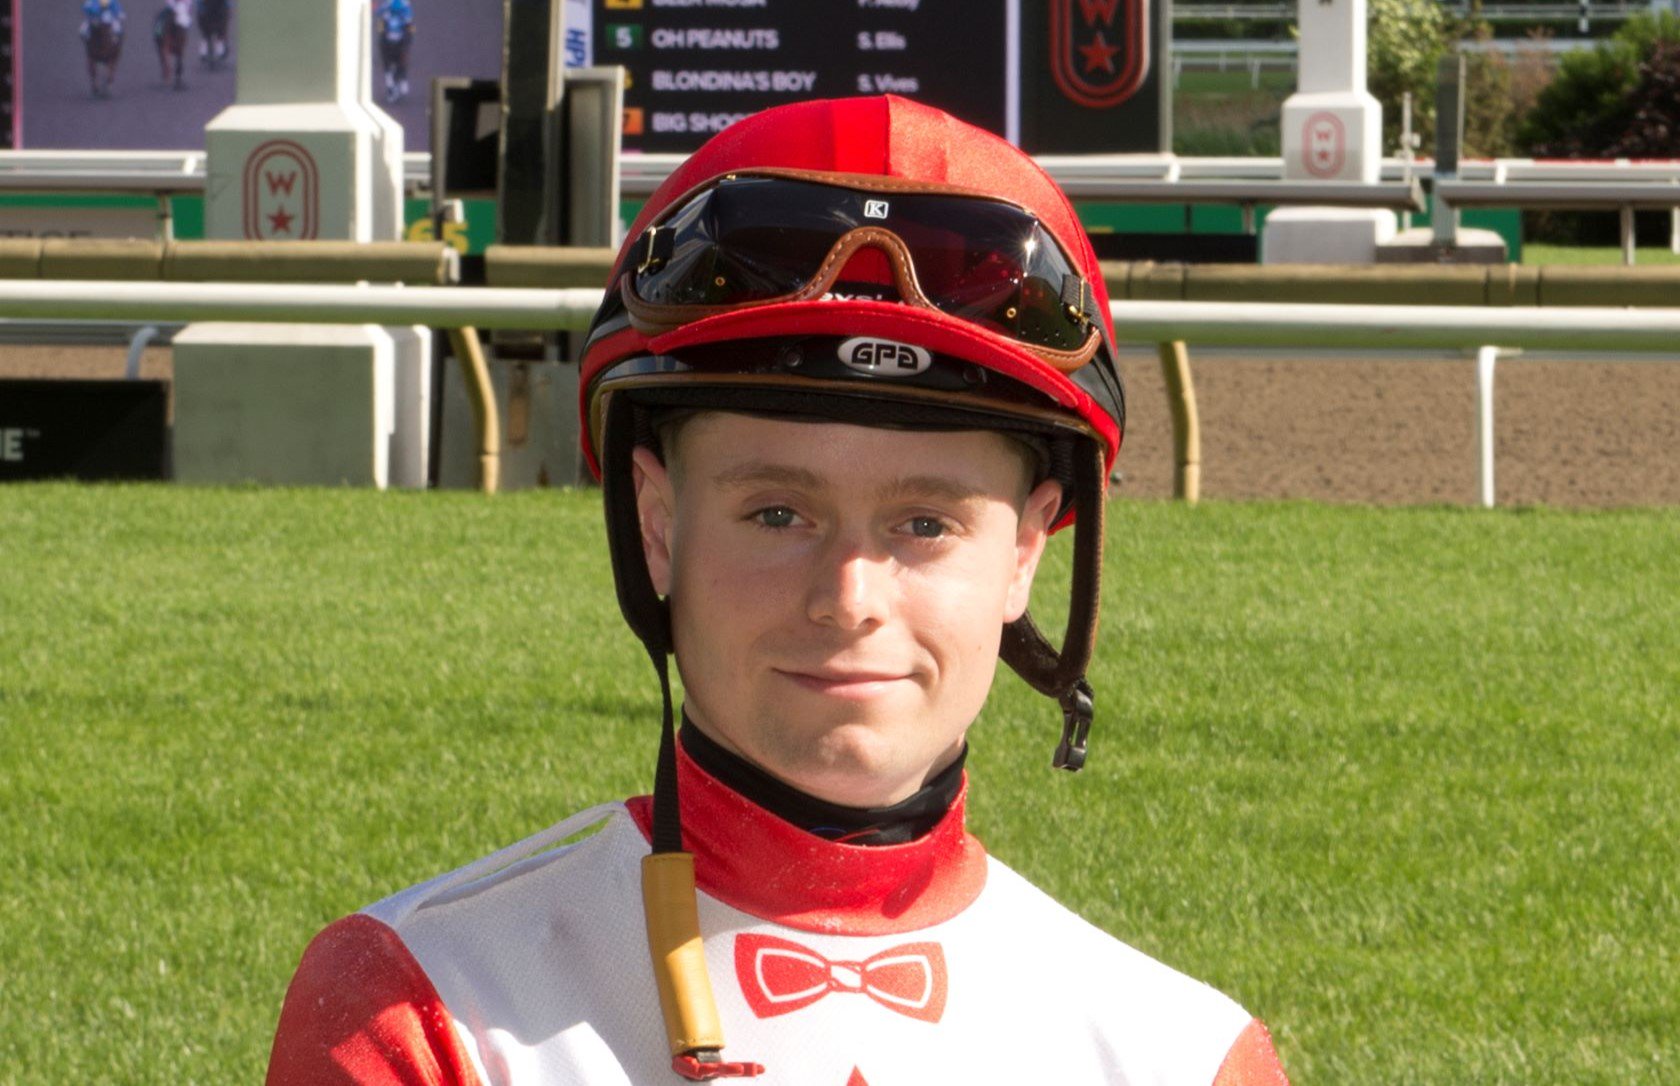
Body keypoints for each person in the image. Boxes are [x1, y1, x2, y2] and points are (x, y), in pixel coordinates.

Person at [263, 95, 1291, 1085]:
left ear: (1024, 553)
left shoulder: (1188, 1057)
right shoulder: (419, 1007)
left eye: (924, 524)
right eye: (777, 515)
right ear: (659, 528)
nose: (848, 598)